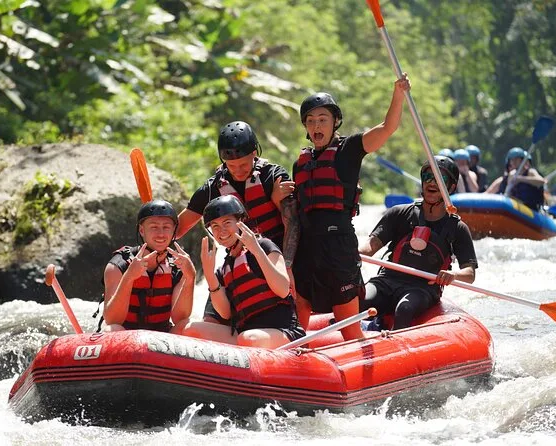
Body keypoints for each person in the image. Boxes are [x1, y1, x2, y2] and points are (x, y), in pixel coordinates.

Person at [291, 73, 411, 341]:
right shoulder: (300, 164)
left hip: (338, 246)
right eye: (311, 121)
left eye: (323, 119)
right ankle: (296, 355)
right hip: (307, 248)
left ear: (335, 122)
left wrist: (398, 94)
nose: (316, 125)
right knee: (299, 316)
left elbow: (387, 128)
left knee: (348, 326)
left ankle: (365, 346)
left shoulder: (349, 149)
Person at [176, 121, 298, 325]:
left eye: (243, 164)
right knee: (211, 319)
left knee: (296, 298)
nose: (238, 171)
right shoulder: (213, 187)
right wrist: (156, 222)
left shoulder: (272, 176)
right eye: (231, 166)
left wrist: (288, 266)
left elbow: (293, 224)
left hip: (276, 256)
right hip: (238, 262)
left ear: (254, 154)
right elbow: (179, 227)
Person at [359, 156, 478, 330]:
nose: (431, 182)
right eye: (428, 177)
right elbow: (370, 246)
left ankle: (396, 341)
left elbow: (470, 273)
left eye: (440, 178)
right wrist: (352, 253)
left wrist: (454, 275)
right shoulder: (399, 213)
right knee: (359, 300)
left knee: (404, 308)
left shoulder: (458, 228)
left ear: (451, 187)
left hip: (423, 288)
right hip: (387, 280)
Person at [181, 196, 305, 348]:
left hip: (282, 330)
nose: (221, 230)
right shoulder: (224, 269)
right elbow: (225, 313)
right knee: (188, 330)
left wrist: (257, 252)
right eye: (215, 226)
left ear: (241, 221)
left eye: (227, 223)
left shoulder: (264, 246)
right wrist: (209, 275)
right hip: (244, 333)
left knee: (248, 338)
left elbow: (283, 289)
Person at [103, 200, 195, 333]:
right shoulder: (118, 265)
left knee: (185, 325)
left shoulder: (178, 266)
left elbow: (179, 318)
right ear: (142, 230)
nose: (161, 234)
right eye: (154, 227)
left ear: (174, 230)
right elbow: (112, 320)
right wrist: (129, 278)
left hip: (161, 337)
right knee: (112, 329)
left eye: (166, 227)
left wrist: (190, 278)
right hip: (126, 335)